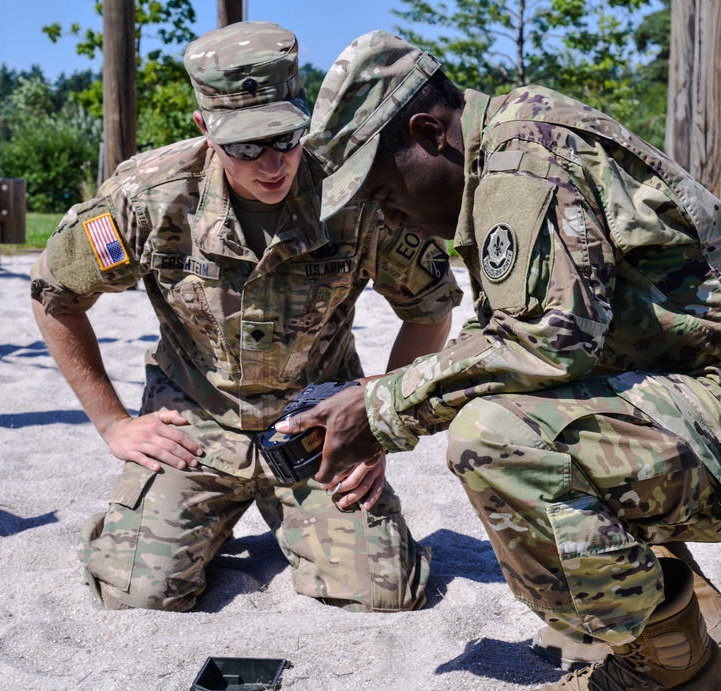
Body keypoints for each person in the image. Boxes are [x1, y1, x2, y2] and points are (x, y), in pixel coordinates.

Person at [279, 30, 721, 691]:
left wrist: (382, 407)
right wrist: (378, 402)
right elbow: (516, 339)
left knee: (496, 438)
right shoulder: (511, 147)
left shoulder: (524, 162)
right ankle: (688, 612)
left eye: (382, 191)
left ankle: (669, 673)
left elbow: (548, 344)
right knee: (510, 410)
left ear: (428, 132)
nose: (386, 215)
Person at [29, 22, 461, 614]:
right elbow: (54, 297)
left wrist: (375, 417)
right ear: (207, 131)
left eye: (285, 137)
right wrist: (112, 423)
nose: (271, 163)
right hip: (195, 425)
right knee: (136, 593)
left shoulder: (354, 193)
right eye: (246, 147)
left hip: (316, 422)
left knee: (384, 593)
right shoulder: (148, 198)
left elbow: (431, 310)